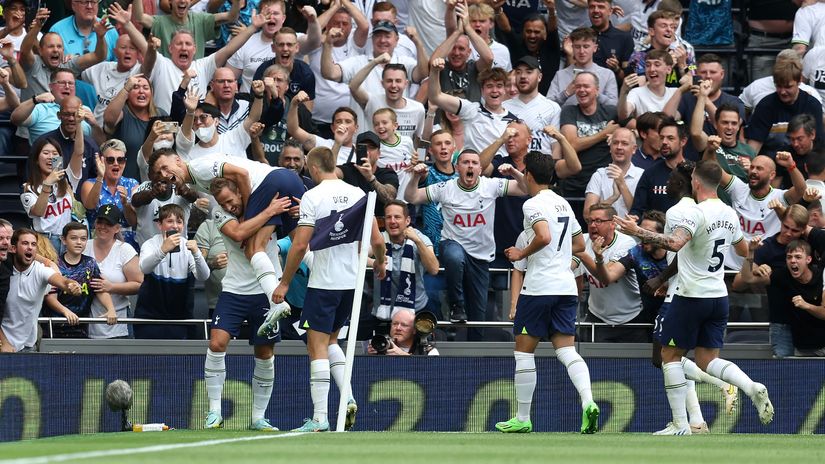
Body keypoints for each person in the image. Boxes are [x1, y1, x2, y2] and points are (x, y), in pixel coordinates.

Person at [615, 160, 774, 435]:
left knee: (670, 355)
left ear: (696, 183)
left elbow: (675, 243)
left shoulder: (695, 213)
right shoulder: (729, 213)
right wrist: (751, 258)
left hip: (690, 295)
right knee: (707, 360)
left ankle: (681, 425)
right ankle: (751, 386)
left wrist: (636, 231)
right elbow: (742, 248)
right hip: (718, 296)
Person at [272, 146, 387, 433]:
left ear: (312, 169)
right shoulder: (359, 194)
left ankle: (320, 418)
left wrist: (284, 282)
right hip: (352, 284)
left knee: (317, 347)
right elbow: (377, 241)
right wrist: (381, 263)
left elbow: (299, 245)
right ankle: (346, 397)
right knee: (332, 341)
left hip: (324, 283)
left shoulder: (313, 196)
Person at [494, 151, 599, 434]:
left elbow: (544, 236)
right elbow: (579, 245)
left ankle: (523, 417)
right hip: (565, 286)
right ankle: (588, 401)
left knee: (524, 353)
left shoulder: (532, 204)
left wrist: (521, 252)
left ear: (528, 174)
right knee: (566, 350)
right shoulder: (563, 203)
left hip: (539, 287)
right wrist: (557, 255)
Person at [148, 149, 305, 323]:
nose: (162, 174)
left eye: (164, 167)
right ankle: (321, 284)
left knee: (252, 249)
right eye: (158, 173)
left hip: (269, 182)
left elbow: (242, 174)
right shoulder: (194, 181)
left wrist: (245, 214)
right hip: (289, 179)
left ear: (177, 160)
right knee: (300, 243)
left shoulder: (198, 167)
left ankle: (276, 303)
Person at [405, 149, 529, 339]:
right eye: (465, 162)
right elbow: (411, 197)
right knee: (455, 256)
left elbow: (525, 188)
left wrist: (514, 172)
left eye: (474, 163)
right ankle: (456, 304)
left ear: (480, 168)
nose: (470, 166)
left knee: (478, 317)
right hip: (452, 244)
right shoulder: (445, 187)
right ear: (457, 168)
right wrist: (415, 177)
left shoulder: (491, 185)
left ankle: (475, 354)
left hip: (480, 255)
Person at [202, 182, 293, 431]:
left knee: (264, 353)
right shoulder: (221, 215)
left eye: (231, 200)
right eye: (223, 203)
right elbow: (239, 233)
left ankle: (258, 418)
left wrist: (284, 212)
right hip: (233, 290)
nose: (227, 206)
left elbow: (295, 222)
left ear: (241, 192)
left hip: (265, 291)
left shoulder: (267, 205)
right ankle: (214, 412)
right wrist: (270, 211)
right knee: (216, 343)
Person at [703, 138, 805, 270]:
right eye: (752, 167)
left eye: (759, 168)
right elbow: (711, 169)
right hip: (730, 265)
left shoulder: (779, 197)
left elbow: (801, 190)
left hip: (761, 267)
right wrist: (710, 150)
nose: (754, 171)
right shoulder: (739, 188)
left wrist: (791, 166)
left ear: (772, 175)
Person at [0, 228, 82, 352]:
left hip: (28, 346)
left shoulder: (41, 270)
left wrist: (71, 284)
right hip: (3, 343)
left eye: (33, 244)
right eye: (25, 243)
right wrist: (4, 342)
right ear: (13, 249)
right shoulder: (3, 270)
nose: (30, 248)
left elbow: (61, 280)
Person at [134, 204, 209, 339]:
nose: (175, 226)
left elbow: (203, 276)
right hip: (149, 316)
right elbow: (144, 268)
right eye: (169, 221)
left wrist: (197, 253)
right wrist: (163, 250)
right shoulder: (150, 244)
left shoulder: (188, 246)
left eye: (179, 222)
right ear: (160, 225)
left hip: (180, 317)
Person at [741, 238, 825, 357]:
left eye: (798, 257)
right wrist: (750, 252)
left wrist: (806, 305)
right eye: (789, 257)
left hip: (820, 335)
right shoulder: (781, 275)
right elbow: (747, 278)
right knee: (785, 369)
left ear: (808, 259)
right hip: (793, 333)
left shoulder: (821, 276)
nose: (793, 261)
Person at [574, 203, 643, 342]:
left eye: (598, 221)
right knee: (592, 361)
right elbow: (573, 266)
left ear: (612, 224)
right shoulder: (583, 242)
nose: (593, 225)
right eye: (590, 220)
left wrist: (593, 257)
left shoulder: (627, 243)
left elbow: (607, 276)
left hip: (631, 317)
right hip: (598, 316)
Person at [428, 57, 518, 156]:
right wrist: (434, 71)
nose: (494, 90)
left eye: (499, 86)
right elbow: (435, 97)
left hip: (502, 170)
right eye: (489, 86)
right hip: (474, 169)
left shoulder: (514, 121)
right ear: (482, 90)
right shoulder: (471, 110)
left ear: (505, 89)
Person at [228, 0, 322, 93]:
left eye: (276, 13)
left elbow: (314, 42)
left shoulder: (293, 39)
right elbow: (228, 77)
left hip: (287, 104)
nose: (271, 17)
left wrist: (312, 21)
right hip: (251, 103)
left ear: (283, 18)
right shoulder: (245, 42)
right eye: (267, 13)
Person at [44, 222, 117, 338]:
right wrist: (65, 312)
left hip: (81, 326)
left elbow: (99, 288)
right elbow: (50, 297)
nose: (79, 242)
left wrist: (111, 309)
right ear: (63, 240)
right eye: (74, 238)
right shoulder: (55, 264)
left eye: (83, 239)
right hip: (54, 326)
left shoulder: (90, 263)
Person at [372, 200, 438, 321]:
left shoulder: (419, 238)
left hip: (416, 308)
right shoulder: (379, 240)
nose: (392, 221)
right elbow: (358, 255)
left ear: (407, 221)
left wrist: (417, 241)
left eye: (397, 217)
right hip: (384, 311)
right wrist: (377, 262)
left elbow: (433, 269)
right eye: (388, 217)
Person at [559, 71, 618, 205]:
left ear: (597, 90)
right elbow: (571, 144)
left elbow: (633, 125)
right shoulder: (569, 111)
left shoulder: (610, 112)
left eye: (586, 86)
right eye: (578, 86)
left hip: (604, 182)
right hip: (574, 183)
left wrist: (617, 133)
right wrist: (604, 133)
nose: (581, 90)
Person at [85, 205, 143, 339]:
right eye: (100, 222)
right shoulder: (85, 246)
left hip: (119, 320)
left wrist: (112, 287)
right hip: (88, 319)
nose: (103, 227)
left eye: (109, 224)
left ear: (117, 228)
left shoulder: (125, 250)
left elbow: (139, 284)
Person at [746, 59, 824, 157]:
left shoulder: (812, 105)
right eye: (779, 86)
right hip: (772, 162)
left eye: (788, 87)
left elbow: (818, 146)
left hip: (805, 163)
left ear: (799, 80)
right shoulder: (765, 106)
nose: (783, 92)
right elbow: (754, 146)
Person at [21, 135, 83, 253]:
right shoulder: (29, 188)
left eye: (55, 154)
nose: (51, 157)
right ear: (36, 160)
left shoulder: (67, 180)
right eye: (46, 153)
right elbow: (38, 212)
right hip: (44, 241)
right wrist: (47, 185)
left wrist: (79, 124)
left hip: (68, 239)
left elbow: (79, 153)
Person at [176, 81, 264, 161]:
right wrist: (190, 111)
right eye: (194, 120)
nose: (198, 122)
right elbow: (185, 136)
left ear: (216, 121)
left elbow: (253, 118)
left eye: (203, 117)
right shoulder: (190, 153)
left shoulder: (234, 138)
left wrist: (259, 95)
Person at [104, 74, 168, 182]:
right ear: (128, 93)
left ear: (151, 93)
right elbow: (109, 119)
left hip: (156, 184)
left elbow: (171, 146)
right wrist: (125, 89)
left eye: (145, 88)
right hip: (125, 184)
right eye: (135, 87)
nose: (141, 91)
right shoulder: (123, 113)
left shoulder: (161, 114)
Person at [81, 139, 140, 249]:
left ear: (125, 162)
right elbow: (90, 205)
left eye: (120, 160)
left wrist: (126, 204)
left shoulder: (132, 184)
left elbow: (133, 222)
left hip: (127, 243)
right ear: (102, 161)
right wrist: (100, 176)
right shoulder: (89, 184)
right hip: (99, 240)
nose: (116, 163)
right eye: (110, 160)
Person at [33, 97, 99, 193]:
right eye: (67, 114)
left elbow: (96, 179)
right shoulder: (45, 144)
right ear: (59, 115)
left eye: (75, 114)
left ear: (82, 116)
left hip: (83, 203)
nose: (72, 119)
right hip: (52, 201)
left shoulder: (90, 145)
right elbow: (33, 176)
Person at [134, 0, 241, 59]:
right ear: (170, 2)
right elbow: (140, 18)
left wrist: (237, 2)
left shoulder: (201, 19)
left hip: (194, 79)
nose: (182, 1)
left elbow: (231, 16)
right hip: (167, 79)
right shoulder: (159, 22)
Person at [427, 9, 493, 104]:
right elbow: (432, 62)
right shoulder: (441, 68)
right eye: (453, 48)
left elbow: (489, 58)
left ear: (469, 52)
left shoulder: (474, 68)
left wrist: (468, 28)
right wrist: (458, 32)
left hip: (470, 118)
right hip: (444, 118)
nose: (456, 53)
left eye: (461, 49)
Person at [349, 59, 425, 140]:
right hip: (377, 152)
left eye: (398, 81)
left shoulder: (417, 108)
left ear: (406, 84)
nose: (393, 85)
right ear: (382, 83)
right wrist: (375, 62)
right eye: (389, 81)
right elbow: (353, 86)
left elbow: (420, 139)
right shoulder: (372, 101)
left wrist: (418, 152)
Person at [503, 56, 562, 156]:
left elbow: (556, 146)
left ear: (539, 77)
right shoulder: (503, 108)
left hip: (541, 168)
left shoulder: (552, 108)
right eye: (518, 72)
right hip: (509, 167)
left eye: (528, 72)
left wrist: (552, 170)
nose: (522, 76)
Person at [130, 165, 198, 247]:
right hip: (149, 249)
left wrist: (185, 192)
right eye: (158, 172)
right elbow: (135, 200)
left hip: (179, 248)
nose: (162, 175)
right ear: (149, 175)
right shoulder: (143, 187)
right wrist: (151, 193)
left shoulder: (180, 186)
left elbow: (193, 197)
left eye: (166, 171)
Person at [629, 117, 686, 216]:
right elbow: (637, 211)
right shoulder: (650, 174)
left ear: (683, 141)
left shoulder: (694, 172)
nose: (664, 142)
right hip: (656, 230)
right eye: (661, 137)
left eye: (670, 138)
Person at [583, 127, 644, 220]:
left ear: (634, 149)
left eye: (624, 143)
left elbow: (640, 215)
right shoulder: (599, 175)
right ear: (610, 148)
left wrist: (622, 184)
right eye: (615, 143)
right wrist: (613, 198)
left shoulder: (642, 175)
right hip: (604, 232)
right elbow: (587, 215)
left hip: (630, 233)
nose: (619, 147)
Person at [495, 9, 560, 95]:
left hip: (547, 103)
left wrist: (552, 10)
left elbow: (552, 29)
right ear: (522, 33)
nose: (532, 35)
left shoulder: (551, 48)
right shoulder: (517, 47)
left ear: (545, 34)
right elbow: (506, 29)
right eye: (528, 31)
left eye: (537, 32)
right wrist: (498, 10)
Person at [550, 27, 618, 108]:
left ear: (595, 48)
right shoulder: (560, 75)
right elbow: (547, 107)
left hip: (597, 120)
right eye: (577, 47)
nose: (582, 51)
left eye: (586, 46)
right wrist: (566, 93)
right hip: (566, 119)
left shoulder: (607, 74)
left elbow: (614, 106)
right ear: (572, 48)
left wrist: (596, 94)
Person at [618, 49, 678, 122]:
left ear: (669, 69)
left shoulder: (676, 92)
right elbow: (623, 116)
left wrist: (683, 66)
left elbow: (692, 69)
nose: (652, 69)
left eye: (657, 65)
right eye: (648, 65)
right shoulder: (636, 92)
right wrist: (623, 91)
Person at [48, 0, 119, 59]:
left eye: (93, 2)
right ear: (73, 5)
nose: (89, 6)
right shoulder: (57, 30)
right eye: (84, 2)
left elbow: (119, 67)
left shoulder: (109, 30)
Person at [588, 0, 634, 83]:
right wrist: (570, 54)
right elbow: (571, 71)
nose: (595, 10)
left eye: (601, 7)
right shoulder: (581, 36)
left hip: (612, 92)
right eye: (592, 7)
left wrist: (616, 69)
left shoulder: (624, 38)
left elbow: (629, 79)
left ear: (610, 11)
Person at [366, 309, 439, 356]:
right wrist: (370, 358)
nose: (398, 328)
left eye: (404, 325)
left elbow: (432, 375)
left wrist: (403, 356)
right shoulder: (380, 346)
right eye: (395, 324)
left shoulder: (429, 352)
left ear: (414, 330)